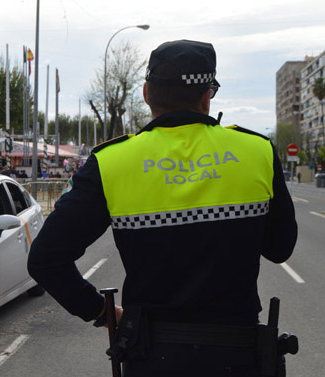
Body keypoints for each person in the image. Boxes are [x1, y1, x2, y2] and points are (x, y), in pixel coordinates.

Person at [28, 40, 298, 377]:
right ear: (207, 96)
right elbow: (280, 249)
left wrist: (101, 312)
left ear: (145, 93)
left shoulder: (111, 162)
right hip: (237, 356)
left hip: (151, 358)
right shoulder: (255, 151)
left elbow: (45, 260)